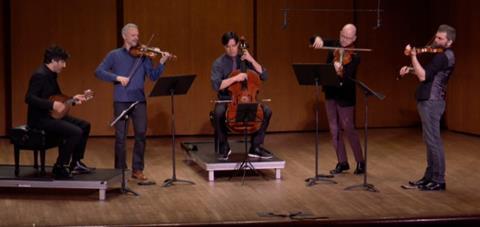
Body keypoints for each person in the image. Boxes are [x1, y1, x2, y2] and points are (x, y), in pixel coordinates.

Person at [95, 23, 172, 181]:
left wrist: (162, 62)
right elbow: (98, 71)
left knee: (141, 135)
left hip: (139, 101)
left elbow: (153, 76)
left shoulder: (143, 56)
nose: (136, 38)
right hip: (121, 101)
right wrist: (117, 77)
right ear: (124, 36)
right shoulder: (114, 55)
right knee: (120, 137)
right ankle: (120, 171)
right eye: (133, 35)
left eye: (137, 35)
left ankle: (137, 169)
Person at [399, 24, 456, 191]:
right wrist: (410, 70)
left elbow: (423, 76)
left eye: (440, 39)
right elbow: (430, 74)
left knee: (433, 141)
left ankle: (438, 180)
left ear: (449, 41)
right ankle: (429, 176)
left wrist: (413, 57)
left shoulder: (443, 56)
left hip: (432, 101)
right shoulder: (444, 55)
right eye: (436, 37)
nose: (436, 41)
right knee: (430, 141)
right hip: (430, 100)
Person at [25, 45, 93, 179]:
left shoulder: (52, 75)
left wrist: (73, 99)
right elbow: (29, 97)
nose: (64, 65)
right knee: (75, 131)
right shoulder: (39, 75)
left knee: (85, 125)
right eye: (62, 62)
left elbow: (57, 97)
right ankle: (60, 166)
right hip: (40, 119)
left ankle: (76, 162)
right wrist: (52, 104)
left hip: (52, 116)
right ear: (54, 61)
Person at [311, 24, 365, 175]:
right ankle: (342, 162)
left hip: (345, 95)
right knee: (334, 129)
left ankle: (360, 161)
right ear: (340, 33)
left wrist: (340, 70)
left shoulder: (355, 55)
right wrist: (317, 38)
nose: (344, 40)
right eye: (342, 36)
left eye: (348, 38)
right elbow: (313, 39)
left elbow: (349, 78)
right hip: (330, 93)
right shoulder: (333, 45)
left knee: (349, 128)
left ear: (354, 38)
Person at [211, 31, 273, 160]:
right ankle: (224, 146)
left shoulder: (245, 59)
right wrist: (236, 78)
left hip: (249, 99)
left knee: (266, 111)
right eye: (228, 46)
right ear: (224, 47)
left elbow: (264, 75)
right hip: (228, 100)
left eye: (233, 46)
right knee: (218, 113)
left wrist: (251, 60)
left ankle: (255, 147)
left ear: (238, 44)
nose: (231, 49)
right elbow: (216, 85)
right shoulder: (218, 63)